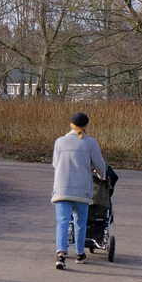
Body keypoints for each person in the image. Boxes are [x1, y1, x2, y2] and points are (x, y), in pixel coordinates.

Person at [51, 112, 107, 270]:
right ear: (86, 125)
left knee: (62, 222)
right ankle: (79, 253)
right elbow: (99, 164)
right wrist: (102, 176)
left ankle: (61, 254)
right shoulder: (91, 143)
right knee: (80, 222)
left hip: (62, 188)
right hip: (82, 190)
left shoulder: (59, 142)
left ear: (71, 124)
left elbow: (55, 164)